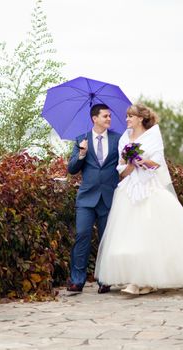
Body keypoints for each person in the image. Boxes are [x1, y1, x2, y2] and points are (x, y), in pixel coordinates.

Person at [94, 103, 183, 295]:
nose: (126, 119)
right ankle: (135, 278)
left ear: (140, 118)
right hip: (129, 190)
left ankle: (146, 281)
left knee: (148, 235)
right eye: (126, 116)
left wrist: (141, 161)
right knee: (129, 236)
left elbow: (157, 163)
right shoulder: (124, 137)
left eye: (130, 116)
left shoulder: (153, 135)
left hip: (149, 189)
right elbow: (121, 167)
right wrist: (130, 165)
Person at [66, 104, 122, 294]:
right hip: (86, 199)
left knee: (106, 240)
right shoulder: (81, 139)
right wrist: (81, 153)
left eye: (109, 116)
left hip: (109, 196)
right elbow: (72, 169)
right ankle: (77, 280)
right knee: (82, 236)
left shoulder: (117, 139)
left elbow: (123, 165)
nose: (109, 119)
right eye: (105, 116)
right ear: (94, 118)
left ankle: (105, 279)